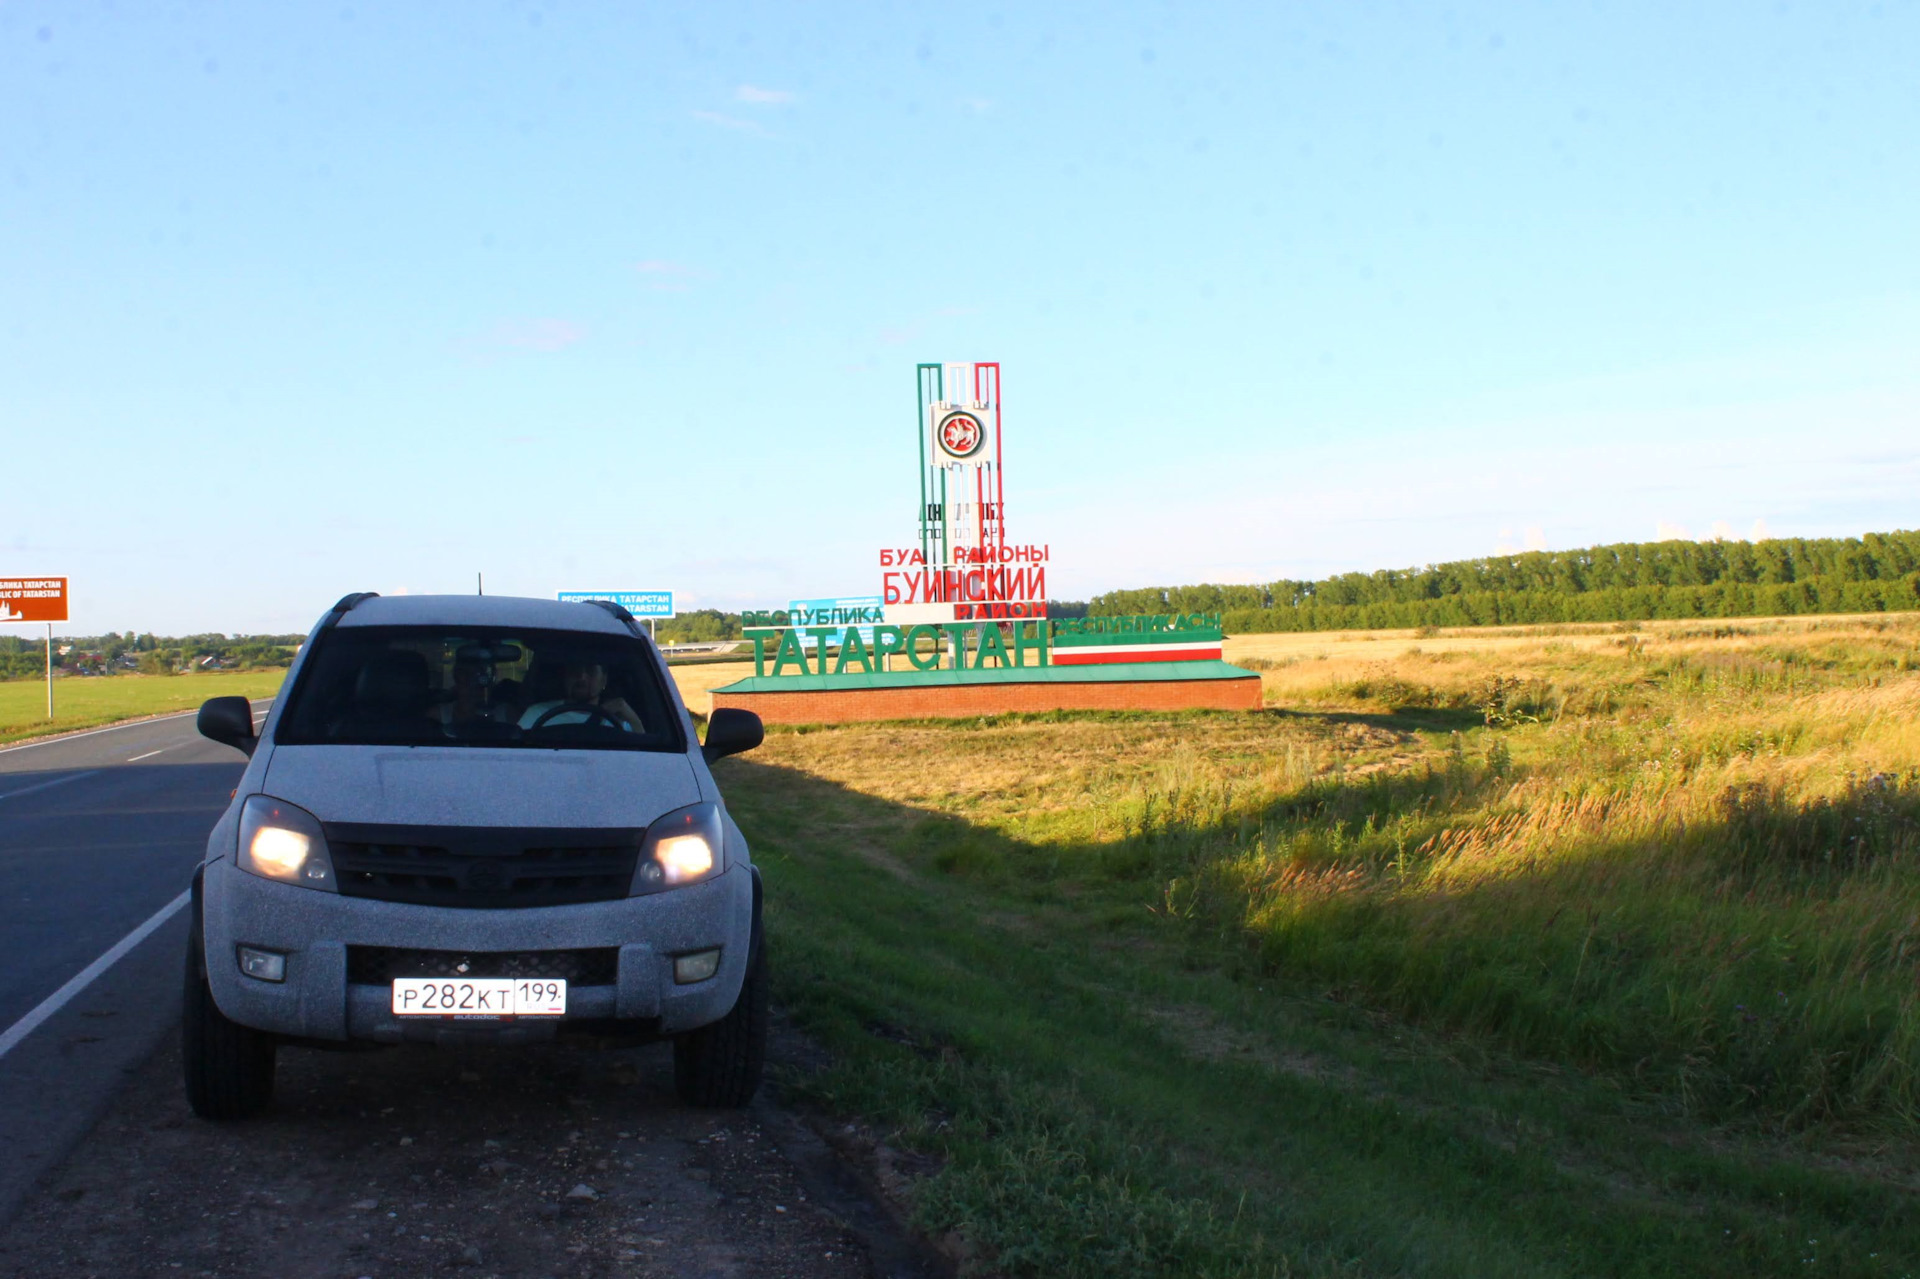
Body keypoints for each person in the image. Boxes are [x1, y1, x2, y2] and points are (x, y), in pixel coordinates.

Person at [517, 658, 644, 732]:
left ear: (604, 680)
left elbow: (642, 757)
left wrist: (634, 720)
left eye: (591, 671)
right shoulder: (537, 714)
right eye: (574, 670)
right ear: (565, 678)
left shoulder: (619, 721)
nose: (582, 677)